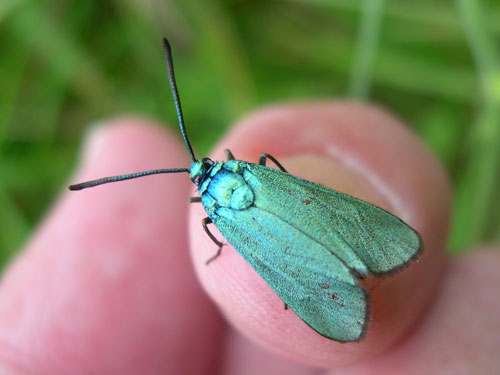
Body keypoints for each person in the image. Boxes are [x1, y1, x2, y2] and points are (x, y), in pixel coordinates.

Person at [0, 102, 497, 373]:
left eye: (202, 171)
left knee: (242, 238)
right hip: (281, 196)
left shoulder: (211, 210)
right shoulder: (247, 170)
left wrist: (222, 246)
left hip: (271, 248)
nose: (203, 170)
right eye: (203, 171)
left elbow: (219, 233)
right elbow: (272, 167)